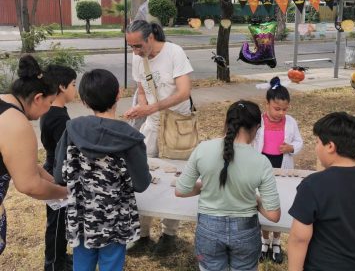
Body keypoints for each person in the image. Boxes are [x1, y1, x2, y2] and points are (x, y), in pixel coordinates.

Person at [53, 69, 151, 271]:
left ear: (84, 101)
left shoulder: (72, 129)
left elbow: (59, 176)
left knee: (82, 263)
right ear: (119, 94)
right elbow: (141, 184)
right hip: (116, 219)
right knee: (112, 264)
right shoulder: (131, 138)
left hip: (81, 217)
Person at [175, 100, 281, 271]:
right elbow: (273, 215)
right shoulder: (262, 162)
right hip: (246, 231)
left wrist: (207, 185)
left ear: (226, 123)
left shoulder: (203, 149)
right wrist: (253, 198)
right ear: (256, 128)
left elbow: (181, 190)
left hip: (208, 229)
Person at [288, 112, 355, 271]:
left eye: (317, 142)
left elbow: (299, 238)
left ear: (330, 146)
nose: (316, 148)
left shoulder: (312, 185)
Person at [124, 19, 193, 255]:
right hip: (152, 124)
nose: (135, 51)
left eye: (138, 46)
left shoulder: (174, 52)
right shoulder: (137, 58)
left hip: (177, 125)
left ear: (150, 38)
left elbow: (184, 92)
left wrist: (151, 108)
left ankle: (169, 235)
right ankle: (142, 234)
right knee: (142, 174)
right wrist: (141, 108)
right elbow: (142, 90)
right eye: (131, 47)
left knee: (174, 176)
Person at [0, 55, 67, 255]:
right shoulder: (17, 124)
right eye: (50, 102)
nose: (49, 109)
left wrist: (56, 182)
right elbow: (29, 185)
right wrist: (66, 193)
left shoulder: (3, 103)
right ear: (38, 98)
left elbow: (20, 162)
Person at [254, 76, 303, 264]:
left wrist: (291, 148)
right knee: (265, 202)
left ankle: (276, 241)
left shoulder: (290, 122)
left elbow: (299, 141)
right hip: (263, 166)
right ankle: (264, 240)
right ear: (266, 104)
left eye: (285, 109)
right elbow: (251, 142)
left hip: (282, 166)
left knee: (280, 201)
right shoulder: (258, 122)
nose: (281, 113)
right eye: (277, 108)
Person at [41, 65, 77, 271]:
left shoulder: (54, 111)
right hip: (57, 173)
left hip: (54, 168)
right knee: (57, 224)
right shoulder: (58, 117)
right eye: (73, 84)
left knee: (61, 222)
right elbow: (65, 150)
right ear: (62, 87)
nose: (75, 88)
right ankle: (54, 264)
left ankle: (60, 257)